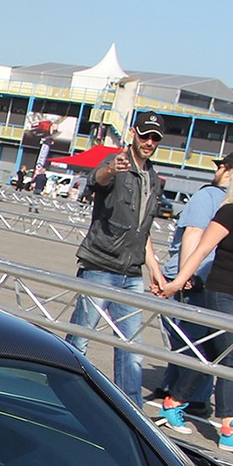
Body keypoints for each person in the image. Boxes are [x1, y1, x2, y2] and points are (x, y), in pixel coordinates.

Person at [154, 155, 233, 452]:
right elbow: (201, 251)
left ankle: (173, 402)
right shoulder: (230, 212)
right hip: (223, 294)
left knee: (211, 355)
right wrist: (176, 282)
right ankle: (229, 427)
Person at [68, 114, 168, 399]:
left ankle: (132, 411)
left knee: (131, 349)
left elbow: (142, 229)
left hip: (132, 272)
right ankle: (67, 395)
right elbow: (95, 181)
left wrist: (155, 269)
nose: (149, 142)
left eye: (155, 138)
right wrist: (111, 169)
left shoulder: (152, 178)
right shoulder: (116, 162)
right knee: (80, 339)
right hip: (101, 265)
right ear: (134, 133)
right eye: (145, 135)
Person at [149, 151, 233, 419]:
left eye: (221, 166)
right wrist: (185, 278)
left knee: (191, 340)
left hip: (199, 280)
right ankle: (179, 392)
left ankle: (183, 393)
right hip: (197, 279)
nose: (218, 170)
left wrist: (183, 279)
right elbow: (194, 234)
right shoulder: (217, 198)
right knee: (191, 341)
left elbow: (196, 234)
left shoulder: (219, 198)